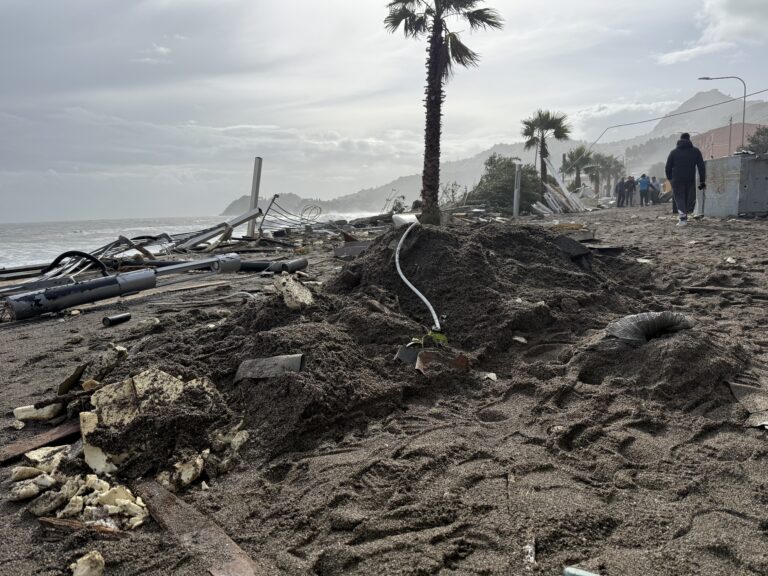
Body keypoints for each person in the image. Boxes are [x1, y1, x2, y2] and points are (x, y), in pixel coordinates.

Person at [665, 132, 705, 226]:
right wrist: (702, 180)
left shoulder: (674, 152)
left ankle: (683, 219)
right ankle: (684, 216)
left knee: (679, 198)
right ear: (689, 139)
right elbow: (701, 166)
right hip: (690, 179)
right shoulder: (696, 151)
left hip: (677, 179)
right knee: (686, 198)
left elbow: (668, 167)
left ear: (680, 139)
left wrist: (669, 178)